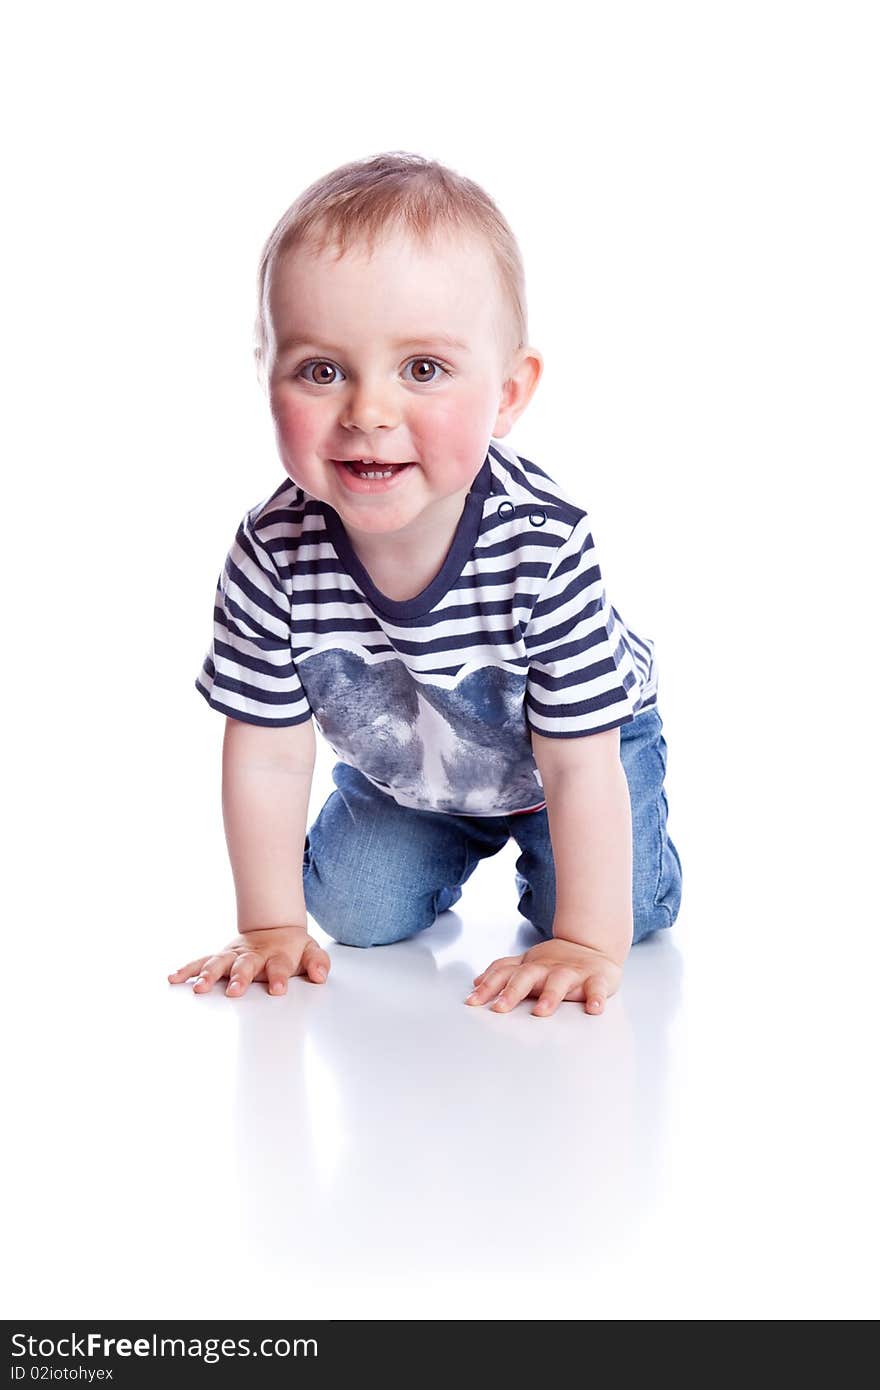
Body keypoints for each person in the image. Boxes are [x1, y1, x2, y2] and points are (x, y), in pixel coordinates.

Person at [168, 150, 683, 1019]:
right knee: (353, 914)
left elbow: (576, 758)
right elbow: (267, 750)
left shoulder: (542, 542)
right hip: (416, 769)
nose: (369, 412)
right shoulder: (271, 552)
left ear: (509, 393)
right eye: (321, 370)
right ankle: (451, 838)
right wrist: (267, 926)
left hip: (577, 753)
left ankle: (623, 873)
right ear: (267, 376)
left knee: (604, 915)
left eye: (423, 370)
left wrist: (584, 941)